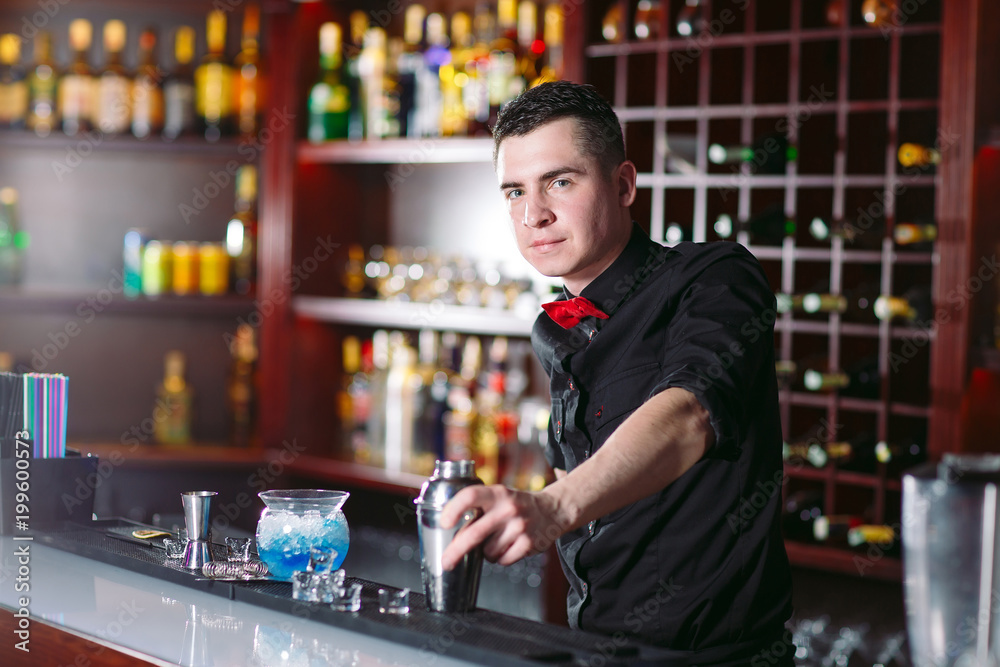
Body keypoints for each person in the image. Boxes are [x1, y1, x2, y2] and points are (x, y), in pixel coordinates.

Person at [439, 81, 793, 664]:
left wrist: (550, 508)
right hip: (598, 650)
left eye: (560, 181)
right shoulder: (552, 331)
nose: (534, 214)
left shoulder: (715, 278)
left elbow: (689, 413)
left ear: (624, 184)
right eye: (513, 192)